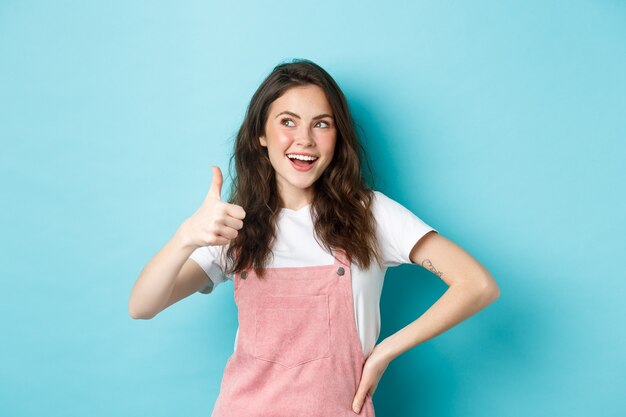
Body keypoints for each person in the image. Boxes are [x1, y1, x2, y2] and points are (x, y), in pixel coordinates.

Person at [128, 59, 500, 416]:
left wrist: (386, 351)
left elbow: (477, 284)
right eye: (287, 122)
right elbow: (142, 306)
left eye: (322, 124)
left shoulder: (370, 214)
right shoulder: (234, 225)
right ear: (261, 133)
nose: (304, 139)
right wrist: (186, 238)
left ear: (338, 137)